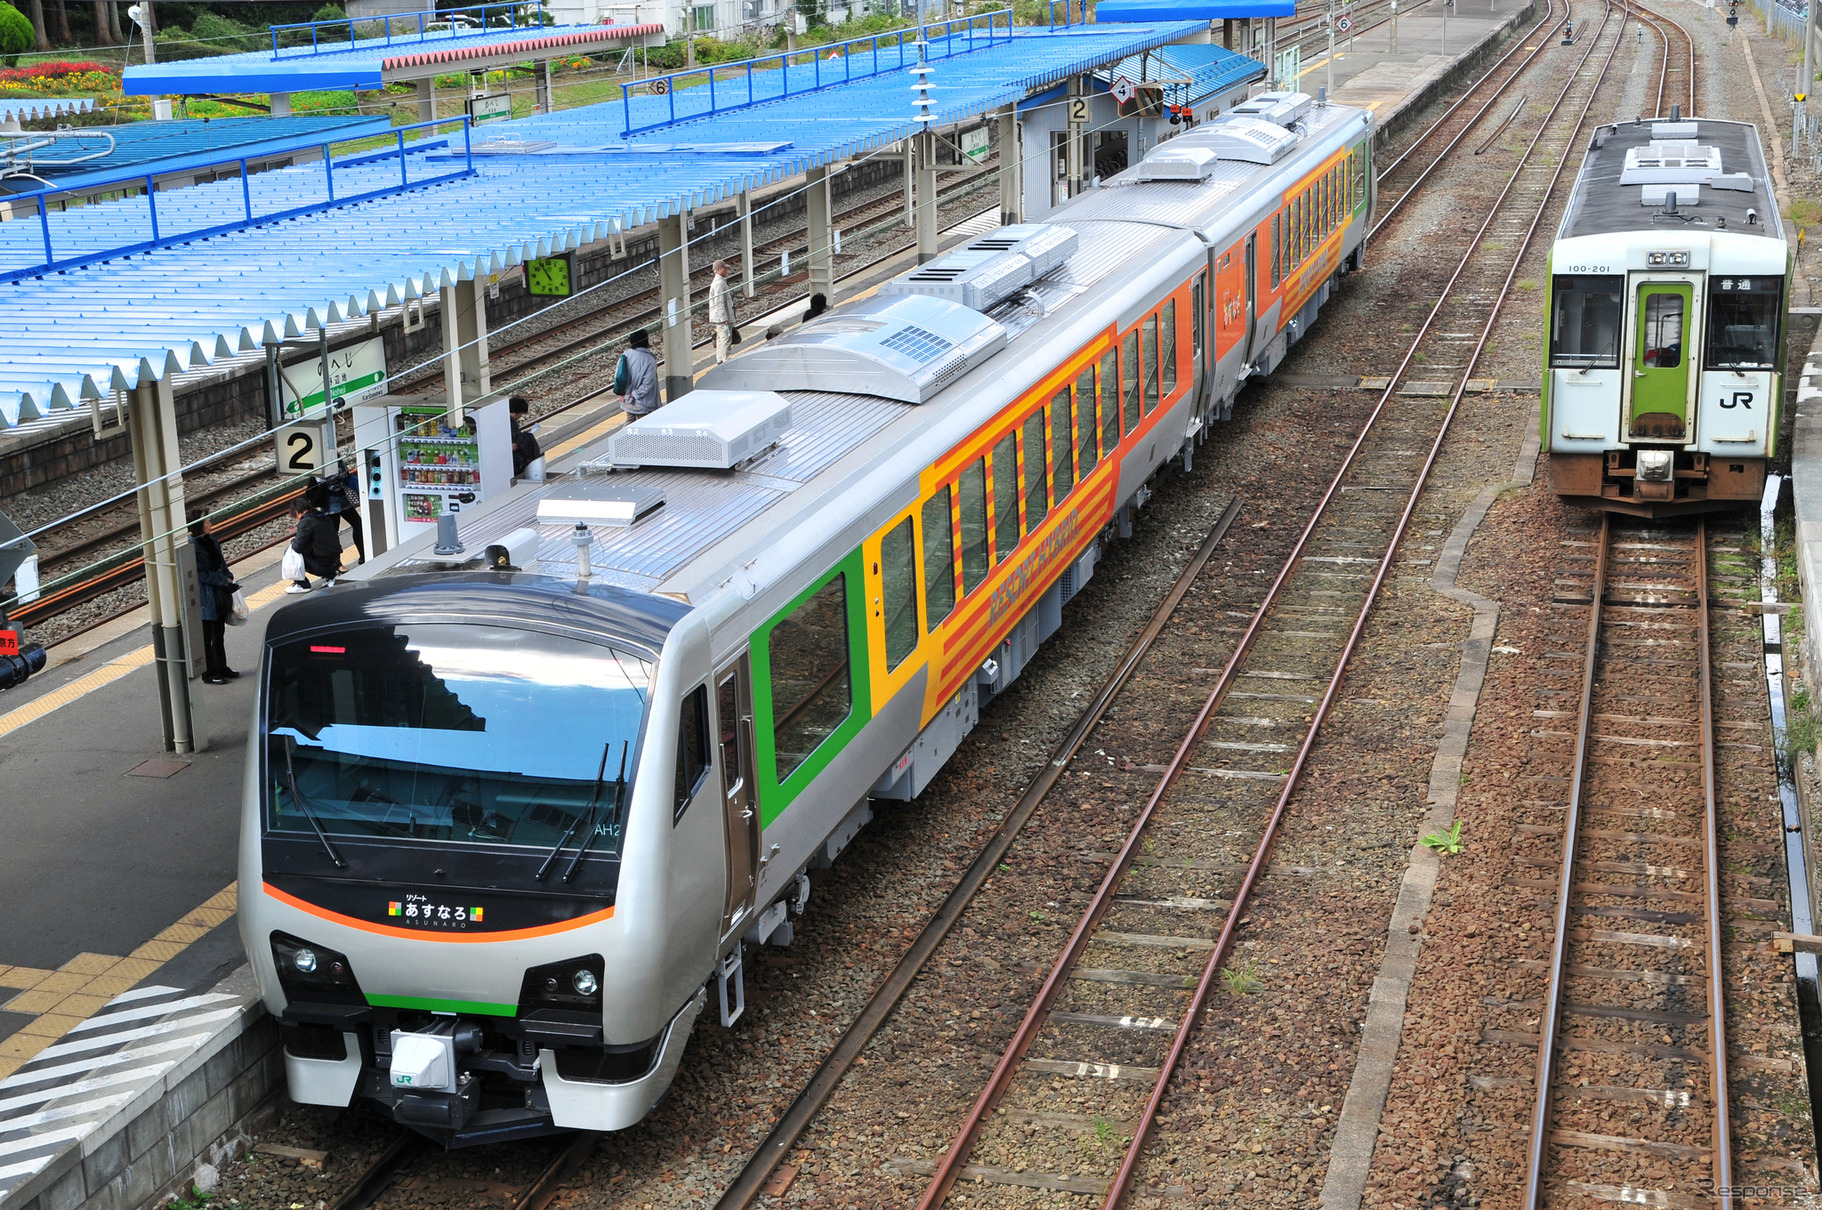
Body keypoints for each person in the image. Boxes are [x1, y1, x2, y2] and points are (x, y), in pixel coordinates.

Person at [188, 509, 239, 684]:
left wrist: (228, 575)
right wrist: (223, 579)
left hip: (218, 593)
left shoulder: (211, 540)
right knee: (206, 637)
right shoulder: (191, 546)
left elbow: (221, 562)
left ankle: (221, 667)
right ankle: (209, 672)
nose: (210, 525)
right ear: (199, 526)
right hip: (205, 596)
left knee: (219, 634)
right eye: (207, 522)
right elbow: (200, 574)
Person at [286, 490, 343, 594]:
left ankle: (302, 584)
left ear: (297, 513)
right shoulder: (324, 516)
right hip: (336, 561)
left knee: (290, 551)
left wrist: (293, 541)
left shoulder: (306, 522)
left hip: (323, 565)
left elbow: (298, 547)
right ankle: (331, 576)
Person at [321, 459, 365, 565]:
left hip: (330, 502)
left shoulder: (319, 459)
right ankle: (362, 555)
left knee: (333, 534)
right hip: (338, 500)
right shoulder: (334, 458)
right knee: (357, 525)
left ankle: (337, 564)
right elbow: (344, 474)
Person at [613, 328, 662, 418]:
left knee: (629, 421)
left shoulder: (626, 354)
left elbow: (618, 375)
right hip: (644, 402)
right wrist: (635, 394)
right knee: (643, 426)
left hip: (627, 399)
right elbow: (649, 382)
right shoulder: (649, 359)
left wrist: (623, 393)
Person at [509, 395, 543, 477]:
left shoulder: (502, 419)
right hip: (514, 463)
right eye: (521, 413)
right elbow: (513, 445)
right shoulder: (511, 422)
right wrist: (524, 440)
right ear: (516, 412)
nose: (521, 416)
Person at [708, 260, 735, 365]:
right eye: (724, 268)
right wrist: (724, 318)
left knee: (720, 337)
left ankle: (720, 358)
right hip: (722, 317)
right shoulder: (719, 284)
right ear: (718, 269)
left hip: (718, 317)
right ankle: (725, 359)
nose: (726, 270)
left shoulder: (719, 282)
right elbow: (719, 302)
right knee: (725, 338)